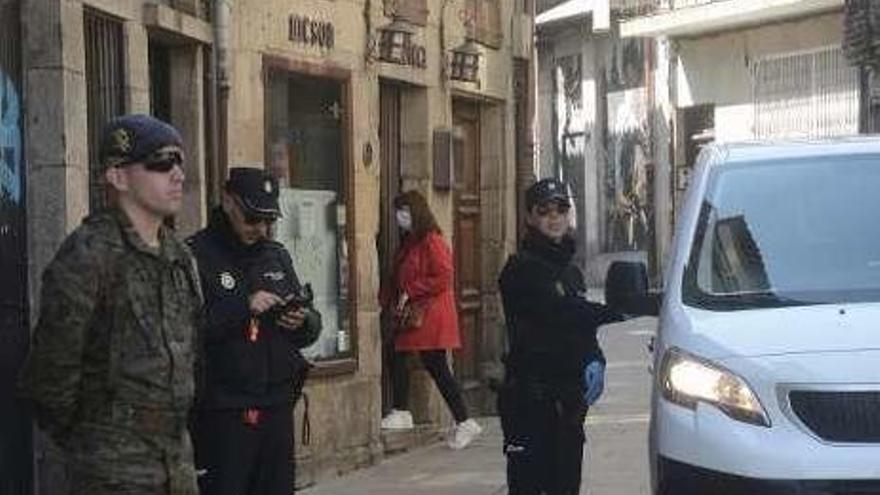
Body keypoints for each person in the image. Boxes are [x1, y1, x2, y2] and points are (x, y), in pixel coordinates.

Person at [18, 114, 202, 494]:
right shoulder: (88, 255)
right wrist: (96, 442)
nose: (178, 174)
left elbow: (192, 351)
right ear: (118, 177)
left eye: (180, 162)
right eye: (161, 163)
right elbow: (50, 377)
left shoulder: (180, 257)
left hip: (175, 466)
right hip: (111, 471)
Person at [187, 167, 321, 495]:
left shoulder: (275, 255)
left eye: (267, 221)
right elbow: (186, 331)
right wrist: (243, 308)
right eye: (252, 219)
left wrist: (303, 321)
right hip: (225, 412)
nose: (260, 229)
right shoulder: (196, 255)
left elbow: (309, 327)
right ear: (228, 202)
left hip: (276, 406)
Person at [497, 178, 621, 494]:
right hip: (530, 403)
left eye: (561, 210)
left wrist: (596, 358)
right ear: (530, 217)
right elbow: (562, 313)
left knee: (566, 487)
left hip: (567, 404)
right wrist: (618, 310)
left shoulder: (570, 271)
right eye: (545, 211)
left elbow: (582, 331)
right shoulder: (521, 269)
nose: (554, 218)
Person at [379, 190, 483, 450]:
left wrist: (411, 290)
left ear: (416, 211)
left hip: (430, 315)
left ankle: (457, 419)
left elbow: (444, 276)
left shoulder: (431, 240)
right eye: (397, 211)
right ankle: (458, 420)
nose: (400, 216)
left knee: (427, 363)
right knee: (417, 360)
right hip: (420, 315)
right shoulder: (411, 242)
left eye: (404, 210)